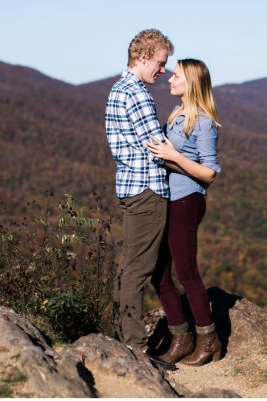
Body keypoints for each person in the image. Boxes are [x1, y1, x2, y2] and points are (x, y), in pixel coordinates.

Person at [146, 58, 222, 367]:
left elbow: (209, 173)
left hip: (187, 200)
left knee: (186, 271)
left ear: (191, 82)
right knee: (159, 272)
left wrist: (173, 155)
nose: (170, 79)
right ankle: (181, 338)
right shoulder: (177, 114)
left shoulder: (203, 121)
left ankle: (209, 340)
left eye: (176, 75)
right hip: (169, 199)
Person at [105, 28, 173, 350]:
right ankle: (136, 345)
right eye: (160, 62)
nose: (163, 70)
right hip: (148, 190)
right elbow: (158, 147)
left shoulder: (118, 89)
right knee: (138, 269)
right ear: (144, 56)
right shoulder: (137, 93)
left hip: (131, 187)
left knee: (129, 264)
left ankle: (121, 337)